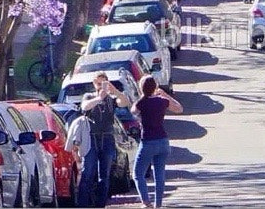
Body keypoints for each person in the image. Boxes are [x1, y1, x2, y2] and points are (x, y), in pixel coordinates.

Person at [80, 71, 131, 207]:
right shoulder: (89, 96)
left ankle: (100, 203)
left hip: (107, 137)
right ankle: (84, 204)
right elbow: (84, 107)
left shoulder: (111, 99)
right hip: (91, 138)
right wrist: (98, 98)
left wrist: (115, 91)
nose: (99, 86)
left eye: (102, 83)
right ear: (93, 83)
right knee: (88, 172)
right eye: (97, 83)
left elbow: (124, 102)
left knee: (105, 174)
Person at [133, 75, 183, 209]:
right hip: (163, 141)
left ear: (141, 88)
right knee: (159, 175)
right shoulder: (162, 101)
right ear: (155, 87)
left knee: (138, 174)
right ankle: (158, 205)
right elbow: (179, 108)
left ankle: (146, 202)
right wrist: (166, 95)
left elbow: (133, 111)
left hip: (148, 142)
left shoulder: (141, 103)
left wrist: (142, 96)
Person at [64, 108, 95, 208]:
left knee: (86, 176)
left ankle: (88, 201)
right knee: (85, 176)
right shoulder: (81, 121)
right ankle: (84, 203)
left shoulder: (76, 119)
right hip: (82, 152)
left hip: (83, 151)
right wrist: (77, 155)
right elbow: (75, 140)